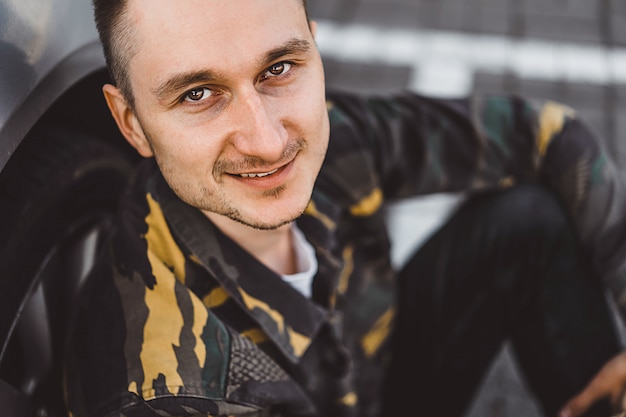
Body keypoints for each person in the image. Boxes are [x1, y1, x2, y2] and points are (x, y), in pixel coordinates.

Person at [64, 0, 626, 416]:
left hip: (373, 382)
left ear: (313, 46)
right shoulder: (173, 391)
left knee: (528, 224)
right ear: (131, 121)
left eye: (278, 68)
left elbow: (552, 134)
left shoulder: (339, 139)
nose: (266, 140)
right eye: (197, 94)